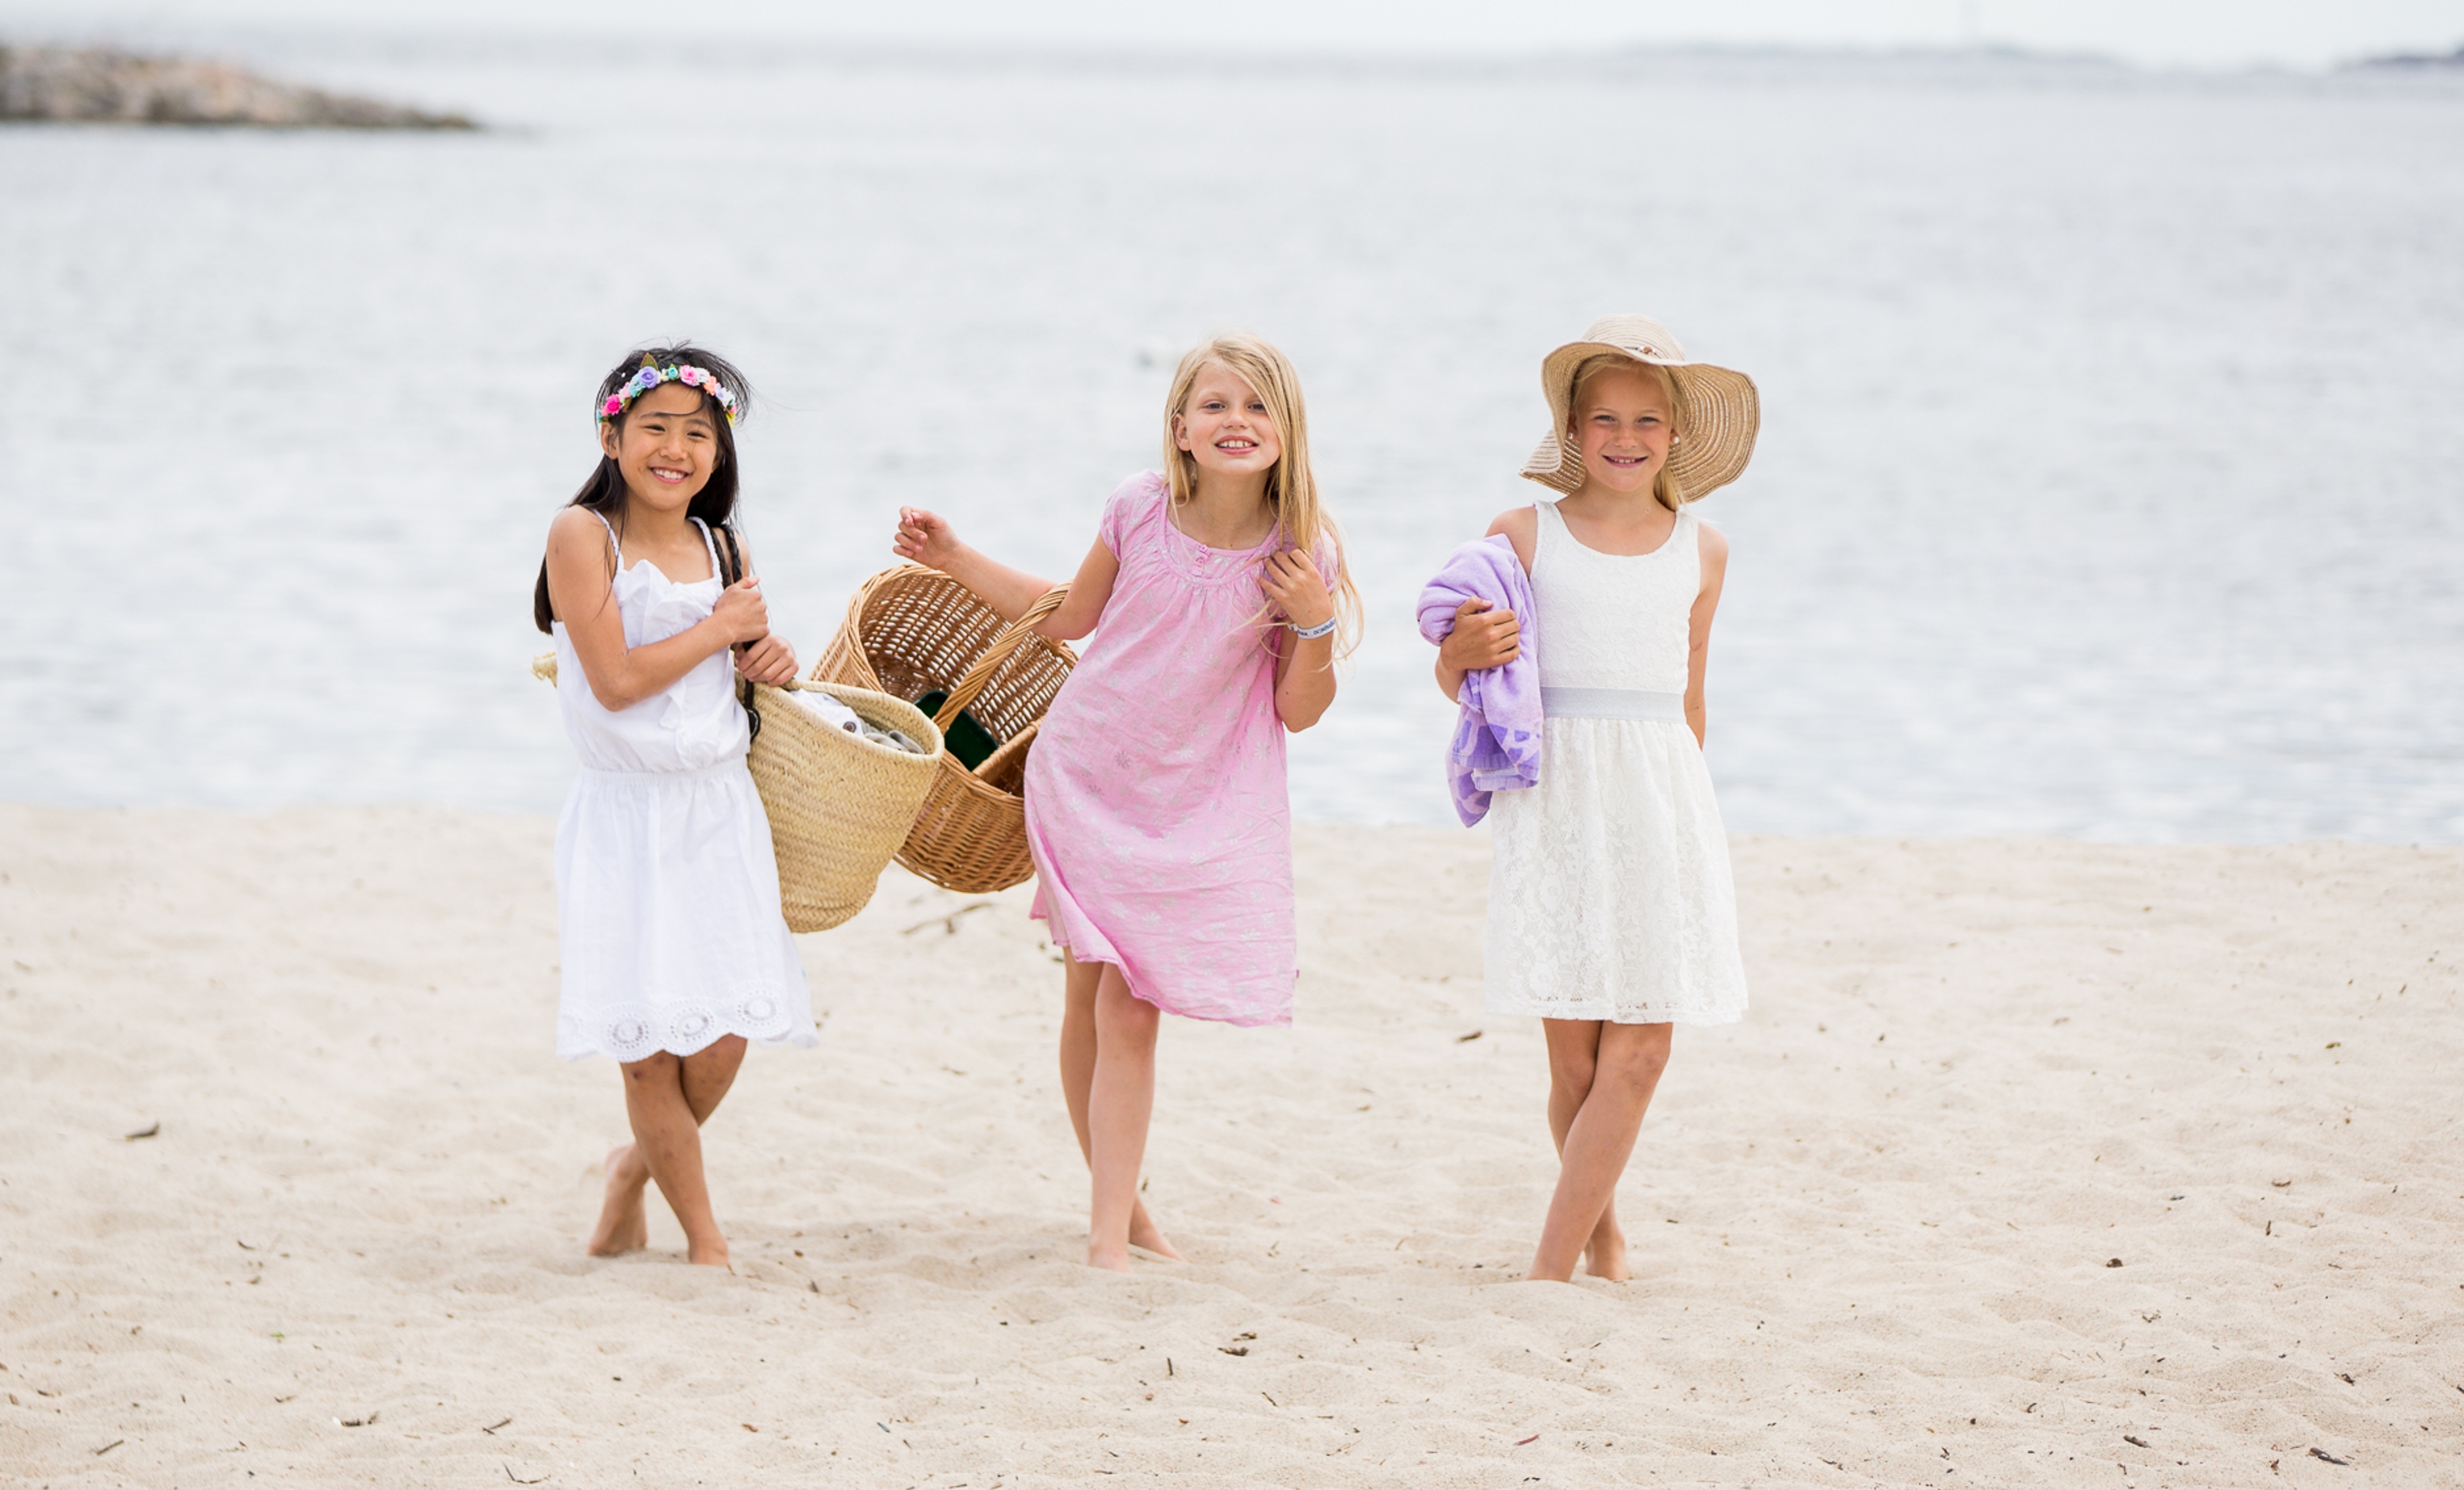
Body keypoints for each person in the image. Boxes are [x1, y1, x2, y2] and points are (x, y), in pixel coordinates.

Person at [892, 335, 1357, 1270]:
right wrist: (955, 557)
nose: (1237, 422)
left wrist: (1314, 618)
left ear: (1288, 428)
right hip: (1089, 773)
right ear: (1180, 427)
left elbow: (1298, 711)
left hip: (1196, 801)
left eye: (1258, 406)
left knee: (1119, 998)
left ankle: (1120, 1207)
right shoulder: (1140, 509)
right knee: (1110, 999)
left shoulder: (1302, 551)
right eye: (1217, 405)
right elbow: (1067, 616)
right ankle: (1114, 1231)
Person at [1429, 316, 1758, 1282]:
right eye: (1604, 418)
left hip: (1661, 805)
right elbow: (1467, 680)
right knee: (1574, 1064)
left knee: (1643, 1050)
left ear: (1677, 433)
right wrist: (1458, 656)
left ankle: (1549, 1268)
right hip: (1559, 800)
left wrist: (1685, 822)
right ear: (1572, 430)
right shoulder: (1523, 537)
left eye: (1647, 421)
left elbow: (1691, 697)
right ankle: (1604, 1240)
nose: (1625, 436)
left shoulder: (1705, 550)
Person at [533, 345, 807, 1269]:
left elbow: (740, 666)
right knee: (648, 1045)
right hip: (625, 815)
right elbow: (612, 682)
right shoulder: (583, 535)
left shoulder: (723, 545)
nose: (676, 449)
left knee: (723, 1036)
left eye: (699, 433)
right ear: (612, 435)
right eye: (655, 428)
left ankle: (631, 1173)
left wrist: (765, 656)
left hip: (718, 811)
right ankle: (707, 1242)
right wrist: (720, 631)